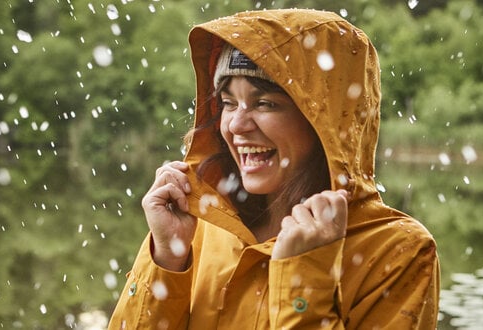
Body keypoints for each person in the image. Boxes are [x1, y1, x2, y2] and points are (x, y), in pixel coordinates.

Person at [109, 8, 440, 329]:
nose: (236, 124)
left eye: (265, 103)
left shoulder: (397, 251)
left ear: (322, 123)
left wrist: (302, 283)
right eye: (227, 102)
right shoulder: (204, 224)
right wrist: (167, 259)